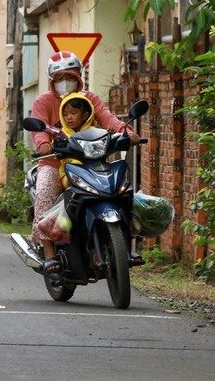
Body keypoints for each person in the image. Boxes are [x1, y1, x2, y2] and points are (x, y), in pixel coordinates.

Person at [31, 51, 140, 273]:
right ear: (52, 81)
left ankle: (128, 242)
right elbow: (40, 129)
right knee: (44, 193)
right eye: (59, 78)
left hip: (91, 163)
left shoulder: (90, 100)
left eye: (69, 77)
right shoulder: (43, 101)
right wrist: (43, 144)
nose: (64, 82)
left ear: (79, 77)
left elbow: (108, 118)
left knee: (122, 192)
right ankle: (49, 252)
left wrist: (126, 131)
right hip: (54, 163)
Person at [58, 93, 94, 188]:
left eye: (73, 113)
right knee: (73, 181)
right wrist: (52, 147)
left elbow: (104, 137)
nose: (68, 117)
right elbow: (54, 145)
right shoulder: (61, 135)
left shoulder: (93, 132)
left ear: (84, 115)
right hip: (69, 173)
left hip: (92, 170)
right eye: (65, 114)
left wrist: (110, 134)